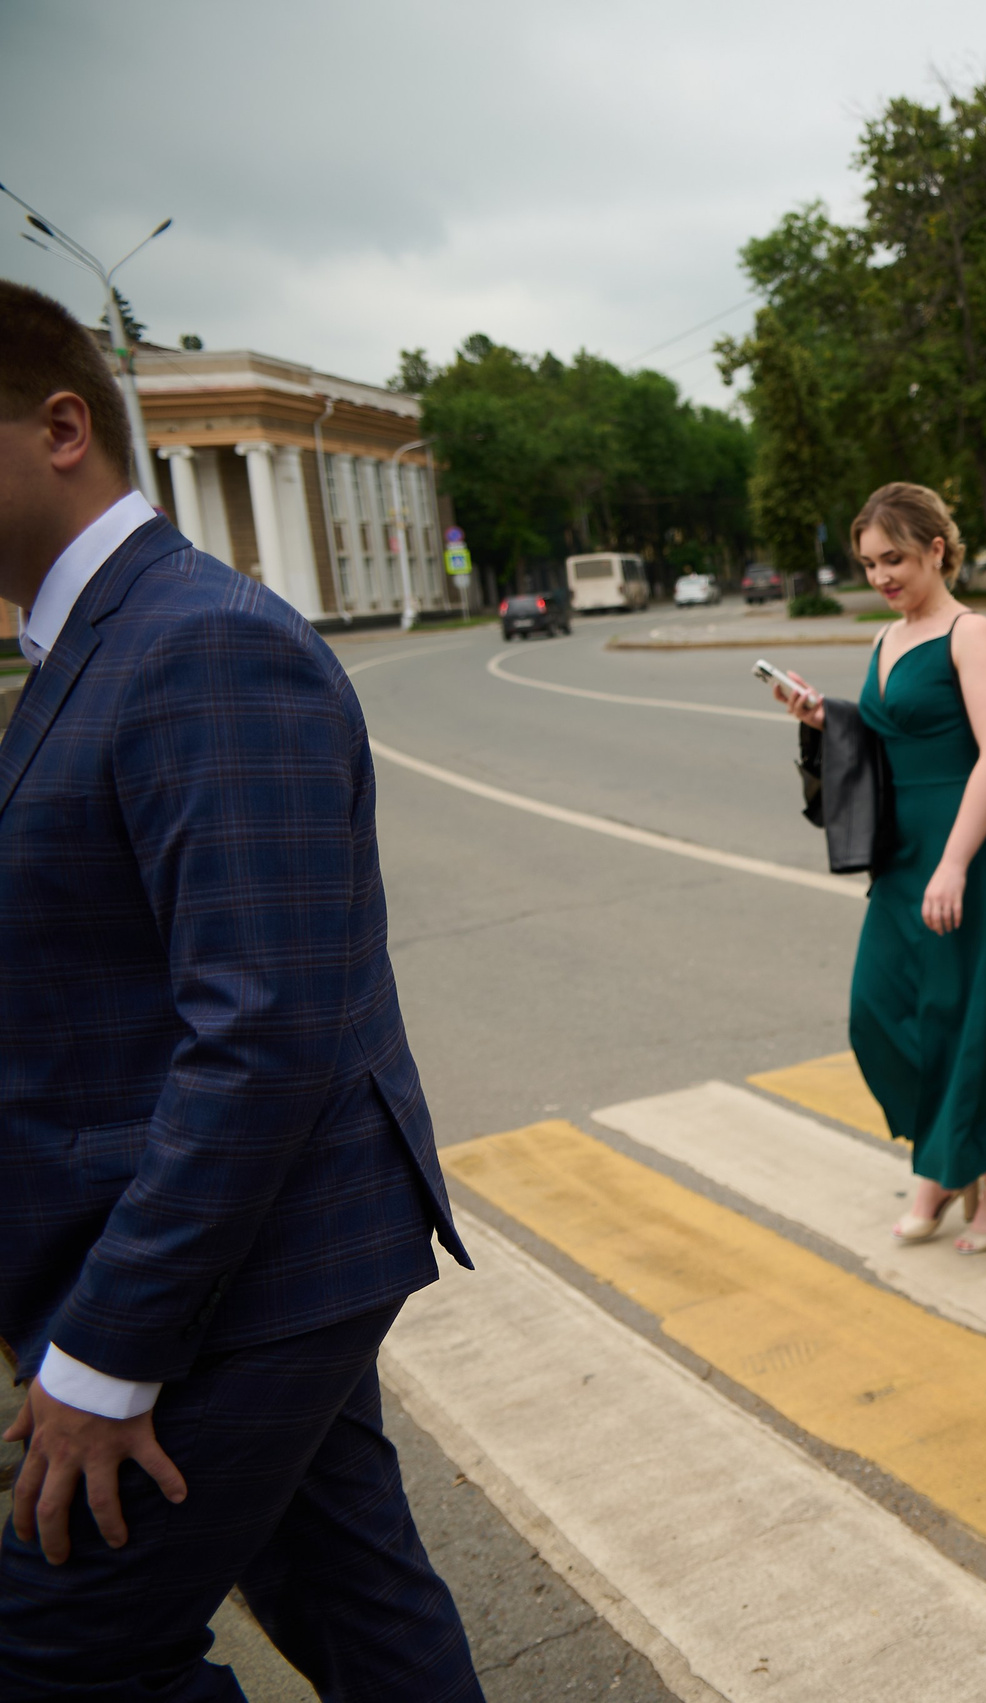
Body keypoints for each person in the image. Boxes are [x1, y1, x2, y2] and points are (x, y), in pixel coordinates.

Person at [0, 281, 482, 1696]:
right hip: (244, 1253)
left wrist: (104, 1349)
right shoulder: (92, 649)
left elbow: (263, 1033)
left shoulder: (199, 643)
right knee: (355, 1604)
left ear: (61, 429)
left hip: (242, 1269)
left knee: (58, 1650)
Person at [775, 484, 986, 1252]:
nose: (881, 576)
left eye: (895, 558)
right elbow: (883, 741)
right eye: (870, 563)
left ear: (937, 549)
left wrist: (954, 864)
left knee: (969, 1018)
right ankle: (946, 1162)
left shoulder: (969, 632)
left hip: (965, 853)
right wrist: (824, 715)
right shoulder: (887, 638)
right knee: (879, 1015)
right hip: (904, 858)